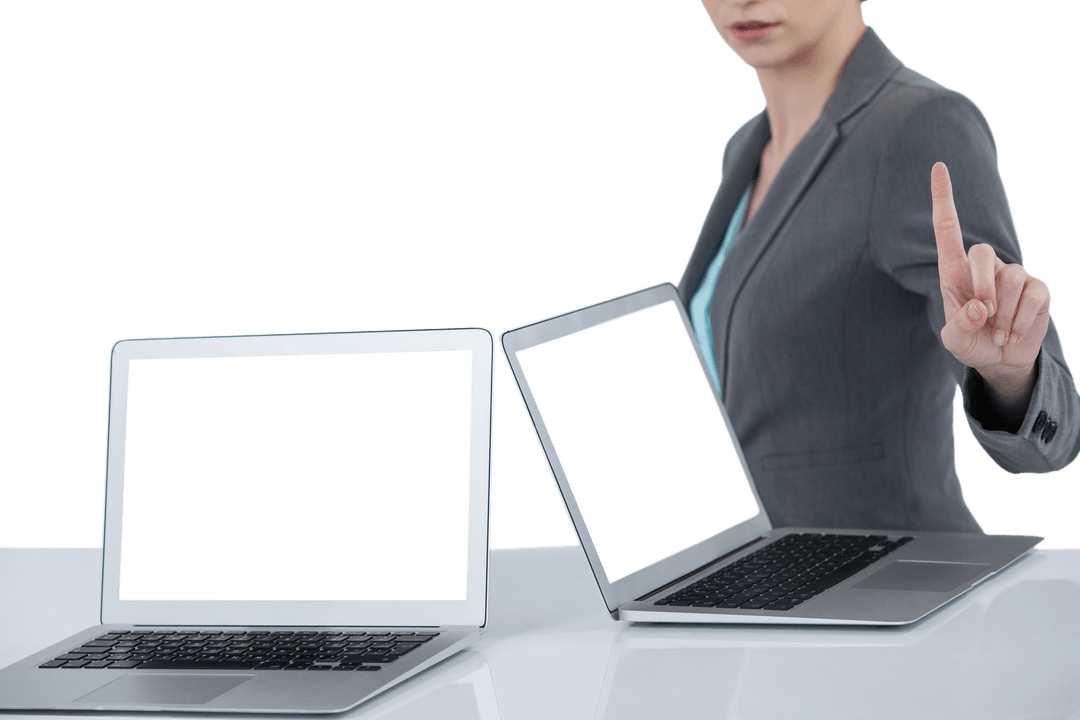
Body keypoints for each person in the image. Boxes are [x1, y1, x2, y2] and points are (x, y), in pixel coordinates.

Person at [677, 0, 1080, 532]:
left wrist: (1008, 374)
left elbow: (1054, 437)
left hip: (890, 580)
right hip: (770, 580)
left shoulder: (920, 126)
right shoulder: (745, 150)